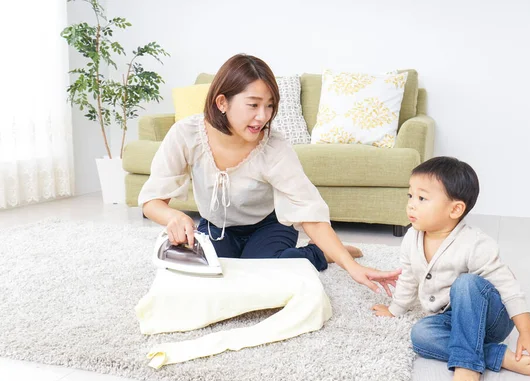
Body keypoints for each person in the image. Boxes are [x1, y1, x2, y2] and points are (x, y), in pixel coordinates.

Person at [139, 53, 400, 295]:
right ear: (222, 102)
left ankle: (322, 253)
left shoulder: (274, 147)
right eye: (253, 105)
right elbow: (152, 201)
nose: (262, 117)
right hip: (217, 227)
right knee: (209, 274)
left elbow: (309, 212)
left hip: (269, 225)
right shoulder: (186, 134)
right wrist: (173, 216)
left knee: (263, 273)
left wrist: (350, 266)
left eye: (270, 106)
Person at [372, 156, 530, 381]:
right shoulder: (412, 237)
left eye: (422, 198)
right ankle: (498, 356)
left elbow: (509, 287)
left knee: (466, 283)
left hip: (490, 318)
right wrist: (395, 309)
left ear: (455, 209)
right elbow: (409, 276)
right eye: (410, 196)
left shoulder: (474, 243)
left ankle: (466, 364)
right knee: (420, 335)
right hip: (453, 319)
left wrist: (527, 332)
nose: (411, 204)